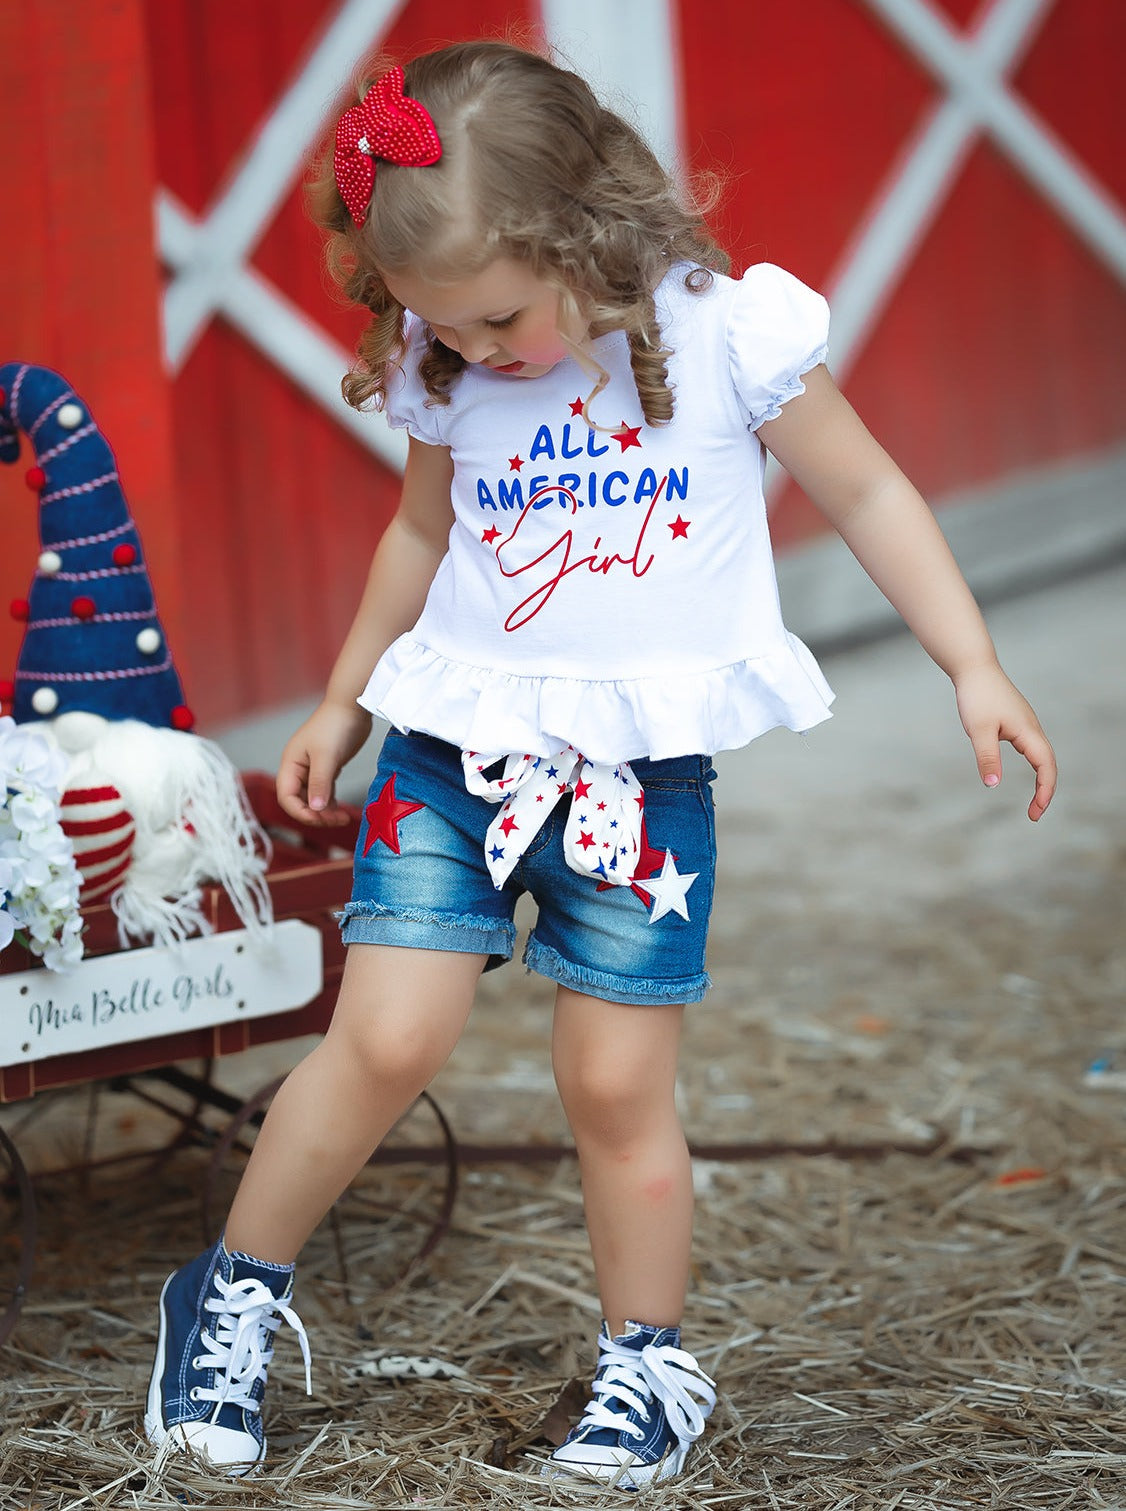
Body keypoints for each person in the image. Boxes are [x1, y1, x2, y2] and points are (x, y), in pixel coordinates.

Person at [144, 39, 1057, 1488]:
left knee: (615, 1082)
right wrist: (340, 698)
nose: (478, 347)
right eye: (442, 326)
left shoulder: (728, 336)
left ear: (577, 229)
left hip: (638, 782)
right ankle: (231, 1298)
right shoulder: (451, 362)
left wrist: (969, 660)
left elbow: (868, 483)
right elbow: (419, 534)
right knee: (387, 1037)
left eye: (499, 314)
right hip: (453, 753)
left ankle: (646, 1368)